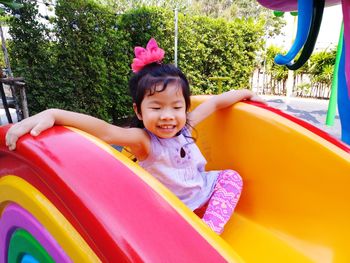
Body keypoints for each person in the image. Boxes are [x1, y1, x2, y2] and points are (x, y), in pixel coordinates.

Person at [5, 38, 265, 234]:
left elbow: (217, 103)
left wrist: (245, 93)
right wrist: (55, 113)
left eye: (176, 107)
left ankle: (209, 230)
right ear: (139, 111)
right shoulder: (145, 141)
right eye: (156, 107)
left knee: (231, 177)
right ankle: (198, 232)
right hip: (172, 209)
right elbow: (106, 131)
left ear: (185, 108)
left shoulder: (186, 126)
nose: (167, 116)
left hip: (201, 191)